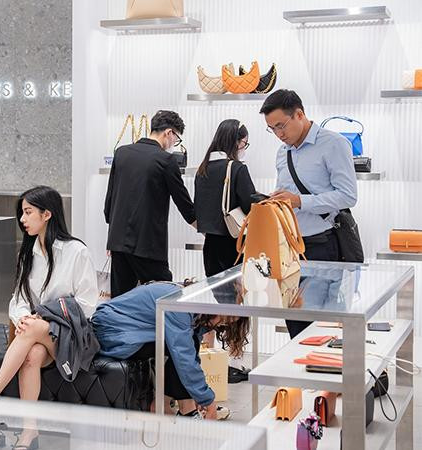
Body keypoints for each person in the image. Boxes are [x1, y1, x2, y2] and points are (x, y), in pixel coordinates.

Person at [0, 185, 98, 449]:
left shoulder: (76, 251)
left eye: (28, 212)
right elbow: (19, 299)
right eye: (22, 213)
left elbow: (87, 306)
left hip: (71, 335)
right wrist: (23, 316)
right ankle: (29, 431)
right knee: (31, 355)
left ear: (47, 214)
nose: (22, 219)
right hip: (39, 336)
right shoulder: (28, 253)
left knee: (33, 327)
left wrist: (45, 318)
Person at [260, 89, 357, 338]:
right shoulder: (283, 152)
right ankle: (298, 365)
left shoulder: (334, 144)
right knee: (295, 324)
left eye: (281, 126)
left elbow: (347, 196)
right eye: (272, 129)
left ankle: (319, 364)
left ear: (299, 115)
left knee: (320, 327)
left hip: (322, 244)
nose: (279, 134)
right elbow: (289, 193)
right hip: (288, 248)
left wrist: (300, 201)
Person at [92, 281, 249, 420]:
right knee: (179, 350)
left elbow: (190, 355)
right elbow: (184, 357)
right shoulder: (181, 306)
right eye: (224, 320)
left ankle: (165, 405)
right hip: (112, 332)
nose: (221, 325)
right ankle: (185, 411)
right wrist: (206, 399)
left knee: (183, 346)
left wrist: (200, 395)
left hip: (125, 329)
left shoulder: (193, 301)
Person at [104, 110, 196, 297]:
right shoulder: (166, 160)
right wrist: (202, 227)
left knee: (121, 301)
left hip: (118, 241)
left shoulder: (122, 153)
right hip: (148, 244)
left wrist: (113, 234)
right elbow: (183, 202)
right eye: (176, 139)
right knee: (164, 296)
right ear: (168, 133)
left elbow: (110, 200)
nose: (174, 144)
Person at [194, 119, 256, 277]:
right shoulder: (237, 168)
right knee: (237, 288)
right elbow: (250, 205)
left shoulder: (202, 169)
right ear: (236, 142)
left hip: (210, 243)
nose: (244, 148)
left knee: (215, 287)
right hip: (234, 241)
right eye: (244, 143)